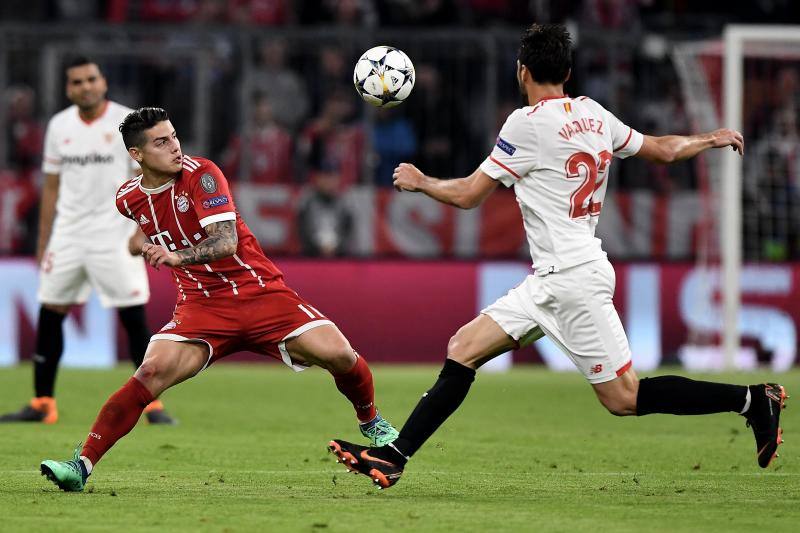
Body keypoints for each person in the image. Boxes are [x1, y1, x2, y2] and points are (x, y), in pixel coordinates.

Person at [327, 24, 787, 489]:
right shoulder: (594, 115)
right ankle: (394, 456)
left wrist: (421, 181)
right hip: (552, 278)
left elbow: (468, 194)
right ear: (567, 72)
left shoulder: (525, 125)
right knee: (463, 348)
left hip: (571, 281)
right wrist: (707, 138)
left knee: (623, 398)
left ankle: (753, 399)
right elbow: (662, 151)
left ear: (521, 71)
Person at [38, 107, 398, 492]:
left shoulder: (202, 175)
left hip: (260, 293)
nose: (175, 147)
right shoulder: (127, 199)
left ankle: (370, 419)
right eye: (162, 142)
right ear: (137, 155)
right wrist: (140, 243)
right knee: (149, 373)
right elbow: (149, 224)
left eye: (174, 136)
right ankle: (81, 465)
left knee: (341, 355)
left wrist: (175, 256)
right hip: (201, 305)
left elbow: (226, 241)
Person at [0, 57, 174, 425]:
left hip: (115, 233)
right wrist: (44, 240)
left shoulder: (129, 123)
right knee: (51, 313)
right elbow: (51, 187)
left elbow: (153, 177)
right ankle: (43, 403)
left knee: (133, 318)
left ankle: (153, 405)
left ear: (103, 82)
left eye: (91, 79)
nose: (85, 86)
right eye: (77, 82)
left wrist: (140, 231)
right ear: (68, 89)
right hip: (69, 235)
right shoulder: (59, 125)